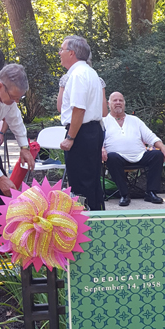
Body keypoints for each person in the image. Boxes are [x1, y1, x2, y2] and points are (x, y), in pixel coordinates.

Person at [59, 35, 104, 210]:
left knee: (80, 182)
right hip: (92, 131)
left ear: (71, 53)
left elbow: (79, 109)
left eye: (62, 50)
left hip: (81, 132)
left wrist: (70, 137)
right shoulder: (90, 72)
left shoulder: (78, 75)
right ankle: (96, 218)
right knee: (91, 181)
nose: (60, 53)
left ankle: (85, 223)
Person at [102, 91, 165, 206]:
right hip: (117, 158)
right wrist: (101, 148)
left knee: (157, 155)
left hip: (140, 155)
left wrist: (163, 148)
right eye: (115, 100)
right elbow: (98, 140)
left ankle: (151, 193)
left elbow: (150, 136)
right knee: (112, 157)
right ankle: (124, 194)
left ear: (124, 103)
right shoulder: (103, 122)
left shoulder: (135, 120)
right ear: (109, 104)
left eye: (121, 100)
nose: (118, 102)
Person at [0, 64, 36, 207]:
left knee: (2, 201)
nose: (16, 102)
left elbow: (16, 121)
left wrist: (24, 148)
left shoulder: (7, 98)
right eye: (13, 97)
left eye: (19, 97)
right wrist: (0, 177)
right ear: (0, 86)